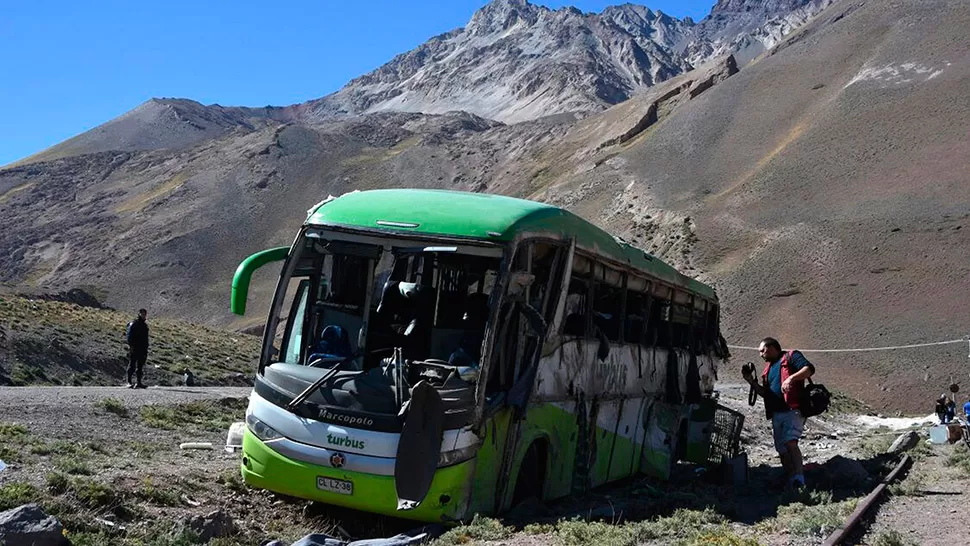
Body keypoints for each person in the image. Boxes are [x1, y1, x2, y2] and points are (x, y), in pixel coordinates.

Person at [742, 337, 815, 490]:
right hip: (776, 413)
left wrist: (790, 378)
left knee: (790, 442)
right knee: (781, 449)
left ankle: (799, 478)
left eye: (763, 350)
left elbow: (809, 369)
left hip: (792, 409)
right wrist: (750, 381)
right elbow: (766, 394)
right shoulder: (768, 370)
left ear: (773, 347)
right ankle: (791, 479)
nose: (761, 354)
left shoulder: (791, 356)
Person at [125, 308, 150, 389]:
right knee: (132, 364)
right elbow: (129, 336)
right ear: (139, 314)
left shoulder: (144, 325)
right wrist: (131, 346)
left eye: (145, 314)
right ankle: (129, 382)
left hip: (143, 348)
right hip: (135, 348)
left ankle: (139, 382)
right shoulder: (134, 324)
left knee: (140, 366)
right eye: (142, 314)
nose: (144, 315)